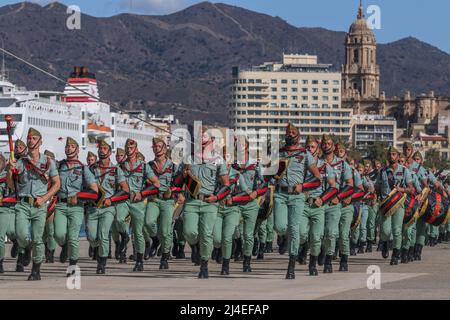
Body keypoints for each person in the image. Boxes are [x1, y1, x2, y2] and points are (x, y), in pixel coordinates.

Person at [7, 128, 61, 280]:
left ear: (40, 142)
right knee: (21, 235)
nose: (30, 140)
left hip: (39, 205)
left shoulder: (48, 162)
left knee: (38, 238)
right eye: (29, 138)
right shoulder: (20, 162)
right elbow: (11, 186)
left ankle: (36, 269)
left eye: (34, 138)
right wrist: (10, 171)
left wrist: (44, 198)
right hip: (23, 204)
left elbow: (57, 184)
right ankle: (26, 247)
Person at [273, 123, 320, 279]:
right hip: (280, 194)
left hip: (297, 196)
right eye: (288, 132)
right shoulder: (278, 153)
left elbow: (317, 178)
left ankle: (291, 265)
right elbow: (268, 175)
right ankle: (283, 236)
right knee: (279, 226)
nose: (290, 134)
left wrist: (304, 186)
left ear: (298, 136)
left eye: (293, 132)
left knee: (294, 230)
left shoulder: (305, 154)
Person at [182, 128, 229, 278]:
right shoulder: (189, 158)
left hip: (210, 202)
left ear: (212, 141)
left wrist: (216, 198)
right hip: (192, 201)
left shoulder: (218, 160)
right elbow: (180, 180)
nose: (201, 139)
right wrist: (183, 175)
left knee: (207, 235)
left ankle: (204, 264)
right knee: (189, 232)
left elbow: (226, 185)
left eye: (205, 137)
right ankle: (195, 246)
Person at [53, 137, 98, 275]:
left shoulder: (83, 168)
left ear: (77, 150)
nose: (69, 149)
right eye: (67, 147)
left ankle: (72, 267)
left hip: (76, 207)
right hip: (60, 205)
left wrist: (78, 196)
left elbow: (94, 189)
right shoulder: (59, 166)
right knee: (59, 234)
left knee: (73, 237)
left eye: (72, 147)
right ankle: (64, 245)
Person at [86, 140, 129, 274]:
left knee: (103, 234)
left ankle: (101, 262)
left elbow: (125, 190)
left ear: (110, 152)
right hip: (93, 207)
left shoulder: (116, 170)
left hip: (108, 208)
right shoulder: (90, 169)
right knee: (92, 236)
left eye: (105, 148)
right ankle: (97, 248)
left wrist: (111, 200)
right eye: (100, 148)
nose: (102, 150)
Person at [375, 147, 414, 265]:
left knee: (397, 231)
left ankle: (396, 254)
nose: (391, 156)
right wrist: (377, 198)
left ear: (398, 156)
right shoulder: (382, 171)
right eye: (390, 154)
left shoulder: (404, 171)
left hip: (399, 204)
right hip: (385, 205)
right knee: (385, 231)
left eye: (394, 154)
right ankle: (386, 243)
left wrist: (400, 189)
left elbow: (411, 189)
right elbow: (377, 187)